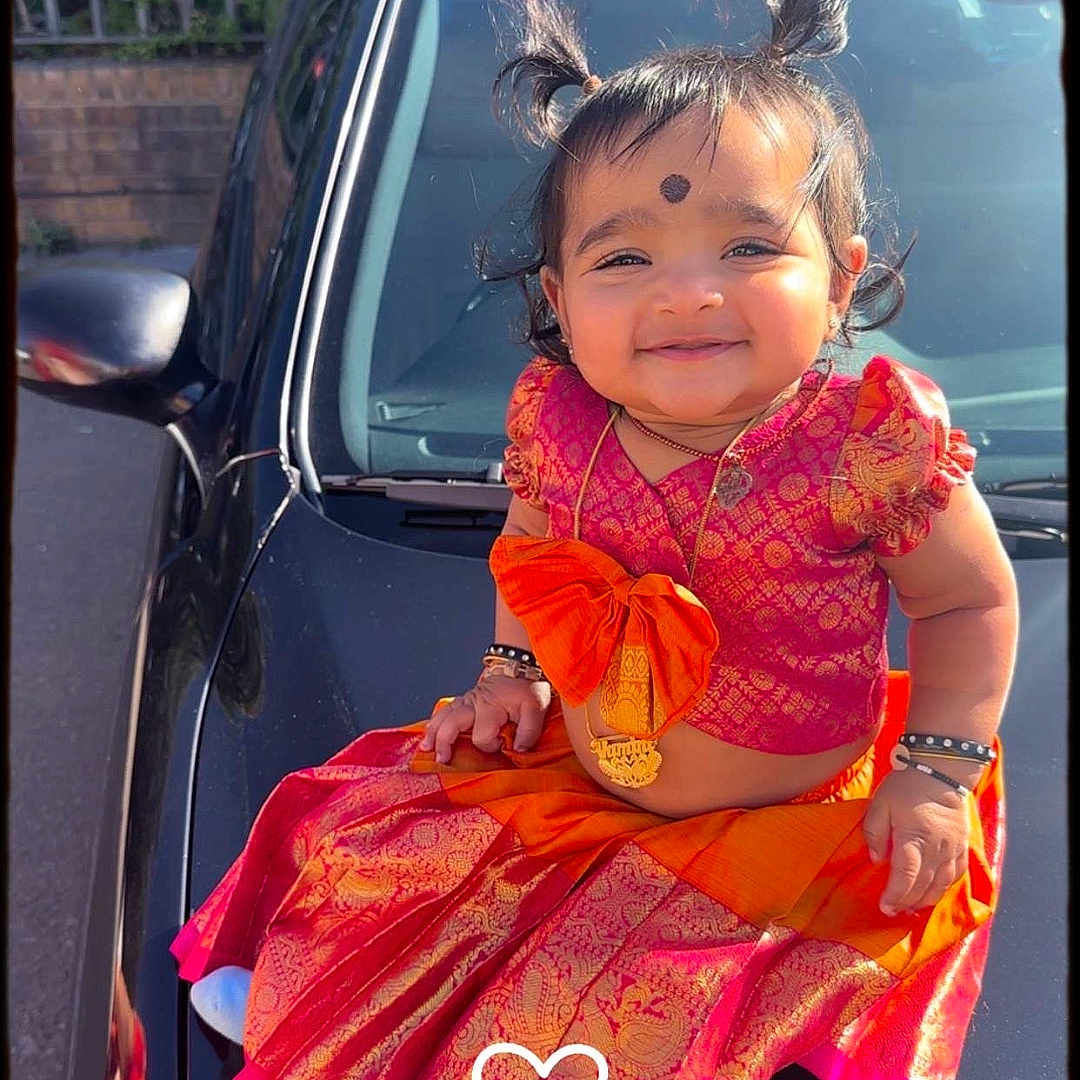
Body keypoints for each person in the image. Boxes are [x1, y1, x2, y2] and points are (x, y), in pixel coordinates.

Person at [171, 1, 1017, 1077]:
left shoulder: (869, 447)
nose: (688, 292)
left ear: (841, 277)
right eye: (624, 258)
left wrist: (938, 771)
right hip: (587, 778)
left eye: (748, 245)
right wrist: (510, 670)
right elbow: (533, 553)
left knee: (649, 1013)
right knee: (374, 863)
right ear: (561, 300)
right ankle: (317, 993)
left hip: (790, 834)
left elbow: (968, 600)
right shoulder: (559, 425)